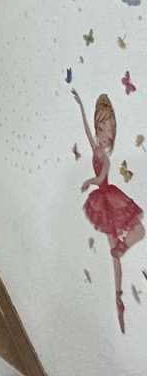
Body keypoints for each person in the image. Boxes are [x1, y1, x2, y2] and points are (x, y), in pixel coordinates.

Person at [73, 87, 144, 333]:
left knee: (137, 232)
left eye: (111, 130)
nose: (107, 135)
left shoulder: (106, 158)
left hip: (108, 197)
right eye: (103, 129)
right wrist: (81, 104)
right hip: (104, 201)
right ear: (97, 129)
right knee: (115, 256)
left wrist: (88, 181)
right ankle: (118, 298)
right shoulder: (96, 149)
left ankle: (121, 249)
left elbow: (101, 177)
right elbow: (85, 127)